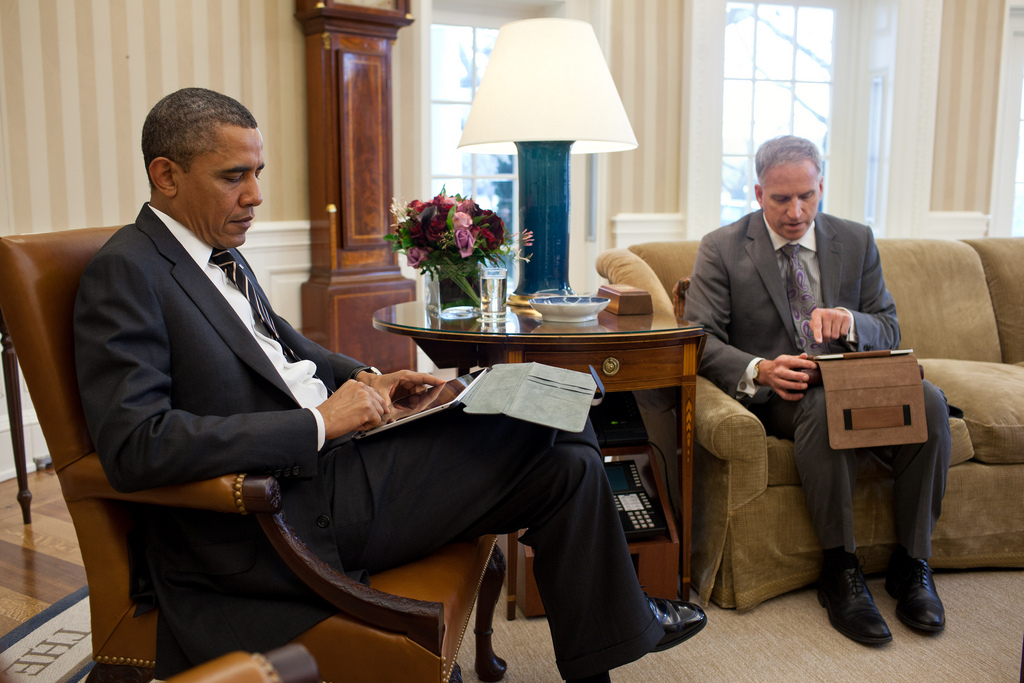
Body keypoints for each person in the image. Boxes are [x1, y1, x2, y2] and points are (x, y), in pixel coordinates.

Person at [72, 87, 705, 682]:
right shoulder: (127, 271)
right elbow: (135, 445)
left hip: (334, 465)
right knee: (549, 433)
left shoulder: (216, 255)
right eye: (234, 176)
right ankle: (626, 625)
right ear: (166, 175)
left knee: (562, 443)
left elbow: (288, 351)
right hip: (278, 508)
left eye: (257, 172)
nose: (256, 195)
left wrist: (375, 382)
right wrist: (322, 422)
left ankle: (601, 657)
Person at [683, 135, 951, 644]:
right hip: (786, 396)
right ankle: (840, 569)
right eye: (781, 199)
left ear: (821, 186)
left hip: (858, 380)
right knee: (825, 405)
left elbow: (889, 326)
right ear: (758, 192)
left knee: (931, 402)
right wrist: (759, 369)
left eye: (806, 195)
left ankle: (913, 563)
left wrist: (851, 321)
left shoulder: (855, 239)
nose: (795, 211)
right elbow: (700, 340)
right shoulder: (721, 248)